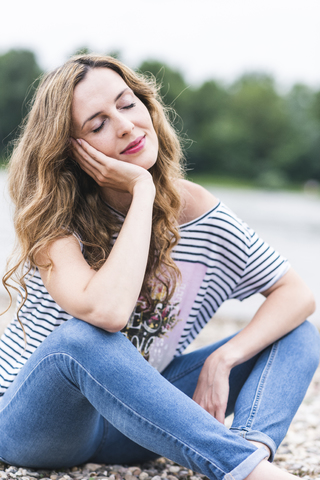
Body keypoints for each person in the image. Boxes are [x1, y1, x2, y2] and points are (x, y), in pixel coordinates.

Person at [0, 54, 318, 480]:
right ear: (72, 153)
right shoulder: (56, 222)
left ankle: (250, 451)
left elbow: (296, 294)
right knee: (80, 338)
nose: (126, 125)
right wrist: (142, 191)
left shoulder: (198, 210)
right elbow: (107, 314)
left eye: (127, 104)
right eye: (97, 124)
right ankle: (247, 472)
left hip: (133, 426)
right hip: (39, 425)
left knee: (295, 332)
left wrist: (225, 358)